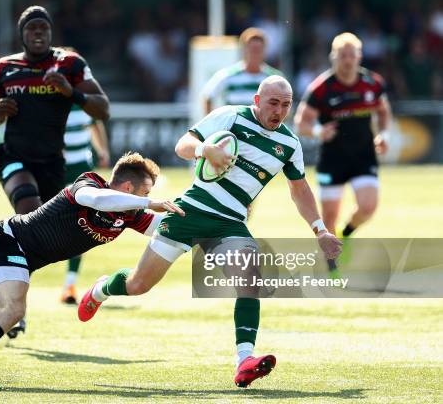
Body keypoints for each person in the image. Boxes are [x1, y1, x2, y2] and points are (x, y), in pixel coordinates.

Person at [78, 76, 342, 388]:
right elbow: (182, 146)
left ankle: (245, 360)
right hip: (189, 213)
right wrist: (206, 150)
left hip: (229, 221)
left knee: (249, 279)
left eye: (285, 105)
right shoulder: (231, 116)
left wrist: (320, 230)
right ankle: (101, 289)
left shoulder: (289, 144)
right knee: (138, 285)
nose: (279, 110)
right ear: (257, 101)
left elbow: (299, 190)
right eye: (273, 103)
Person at [0, 153, 183, 391]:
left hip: (20, 259)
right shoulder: (89, 184)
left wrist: (201, 224)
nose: (149, 197)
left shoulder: (129, 214)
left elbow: (164, 228)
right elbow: (97, 200)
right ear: (129, 188)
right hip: (6, 240)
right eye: (145, 191)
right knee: (13, 308)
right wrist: (147, 202)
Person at [0, 5, 109, 337]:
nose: (37, 33)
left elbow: (103, 107)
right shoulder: (6, 67)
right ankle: (13, 312)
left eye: (43, 28)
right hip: (13, 156)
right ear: (21, 34)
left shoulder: (69, 65)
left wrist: (70, 92)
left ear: (50, 33)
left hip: (52, 163)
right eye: (31, 28)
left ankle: (7, 296)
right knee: (26, 215)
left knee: (34, 242)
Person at [293, 32, 391, 274]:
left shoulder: (372, 84)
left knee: (368, 206)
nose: (347, 60)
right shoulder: (321, 88)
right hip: (333, 159)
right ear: (333, 57)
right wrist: (317, 131)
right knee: (329, 215)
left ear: (359, 57)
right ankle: (332, 265)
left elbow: (383, 111)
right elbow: (300, 123)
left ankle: (347, 234)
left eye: (352, 55)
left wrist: (384, 135)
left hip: (363, 156)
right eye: (342, 55)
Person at [61, 104, 110, 304]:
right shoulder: (51, 101)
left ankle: (69, 285)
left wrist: (103, 150)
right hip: (55, 169)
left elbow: (95, 123)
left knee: (81, 225)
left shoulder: (84, 101)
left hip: (81, 169)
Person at [201, 27, 283, 114]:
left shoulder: (275, 78)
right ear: (244, 50)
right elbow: (207, 96)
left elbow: (285, 104)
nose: (255, 54)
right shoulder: (228, 75)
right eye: (252, 50)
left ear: (264, 51)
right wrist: (214, 123)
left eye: (258, 50)